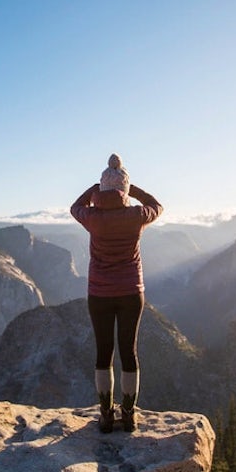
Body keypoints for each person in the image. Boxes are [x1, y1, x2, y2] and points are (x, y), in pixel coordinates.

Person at [70, 153, 163, 433]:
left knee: (103, 352)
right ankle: (129, 413)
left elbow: (76, 206)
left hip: (99, 292)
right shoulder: (136, 215)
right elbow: (156, 205)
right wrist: (130, 190)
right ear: (124, 190)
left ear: (102, 189)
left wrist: (95, 191)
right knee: (129, 351)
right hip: (131, 291)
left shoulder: (93, 218)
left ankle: (105, 415)